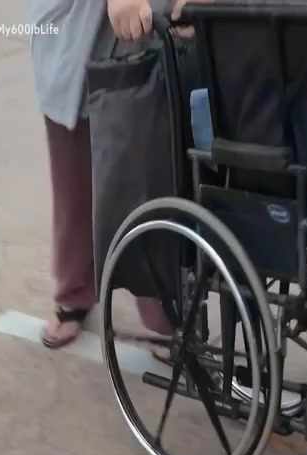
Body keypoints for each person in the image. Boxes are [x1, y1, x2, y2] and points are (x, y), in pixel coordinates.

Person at [28, 0, 192, 348]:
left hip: (149, 16)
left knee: (150, 162)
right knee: (73, 168)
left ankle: (160, 300)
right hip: (76, 20)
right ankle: (74, 290)